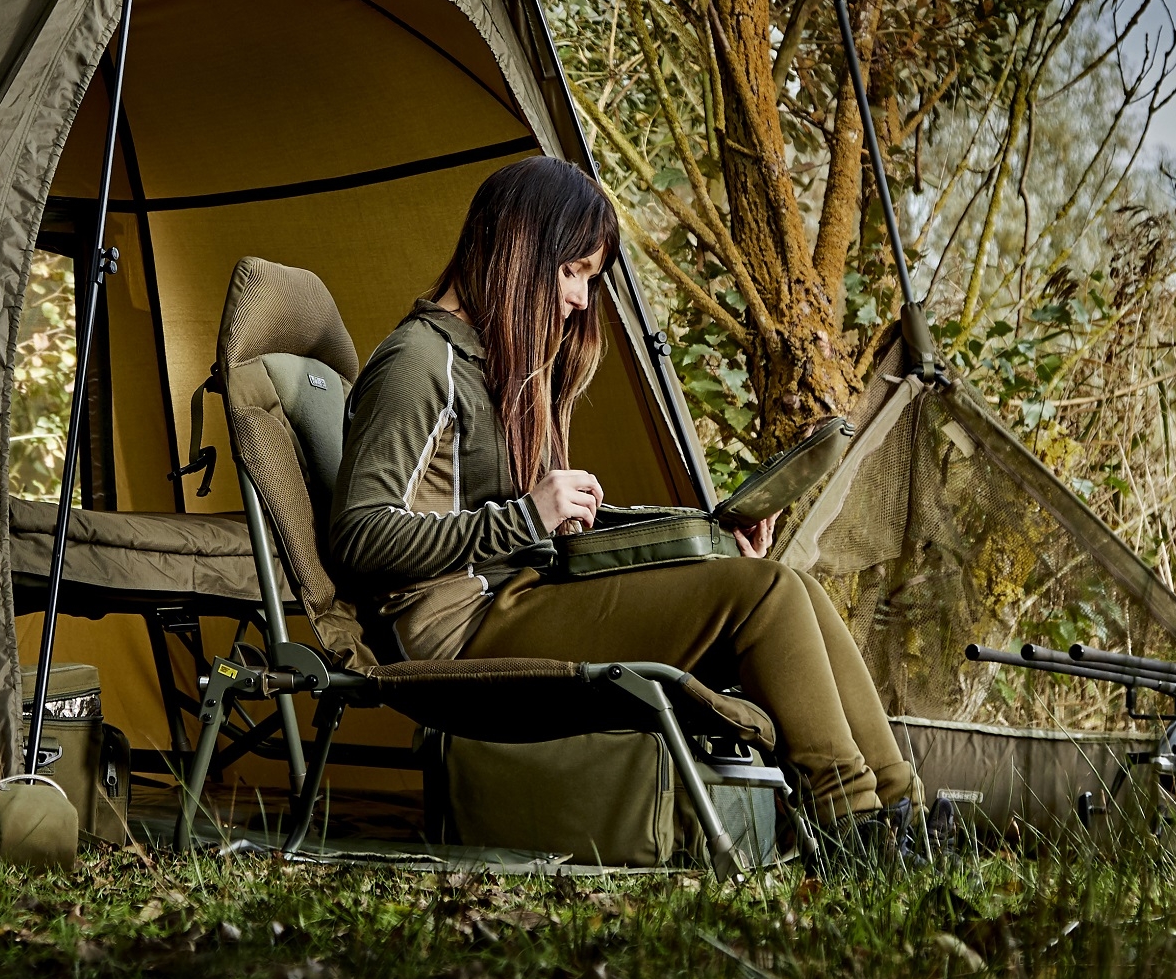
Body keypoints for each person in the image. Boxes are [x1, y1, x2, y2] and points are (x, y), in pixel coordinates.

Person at [326, 156, 919, 832]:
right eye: (572, 271)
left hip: (519, 597)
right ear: (518, 249)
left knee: (780, 582)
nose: (582, 297)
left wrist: (710, 539)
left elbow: (522, 530)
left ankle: (904, 809)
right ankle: (854, 823)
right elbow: (359, 536)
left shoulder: (494, 363)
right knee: (764, 594)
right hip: (459, 633)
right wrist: (525, 516)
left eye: (591, 277)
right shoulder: (417, 363)